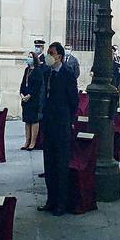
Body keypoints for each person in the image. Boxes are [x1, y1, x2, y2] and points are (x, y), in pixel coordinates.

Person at [37, 41, 77, 215]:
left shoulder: (67, 74)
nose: (48, 56)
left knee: (61, 164)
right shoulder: (46, 73)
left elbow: (73, 100)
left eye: (51, 53)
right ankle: (50, 200)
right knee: (49, 164)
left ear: (59, 56)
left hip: (61, 124)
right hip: (48, 124)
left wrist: (68, 118)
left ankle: (62, 202)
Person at [19, 46, 47, 151]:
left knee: (34, 120)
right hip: (25, 99)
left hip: (33, 99)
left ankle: (32, 142)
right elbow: (23, 84)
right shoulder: (27, 70)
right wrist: (21, 94)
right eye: (28, 56)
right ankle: (27, 141)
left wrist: (29, 95)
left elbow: (37, 86)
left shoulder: (38, 71)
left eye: (30, 57)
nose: (29, 58)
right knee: (27, 121)